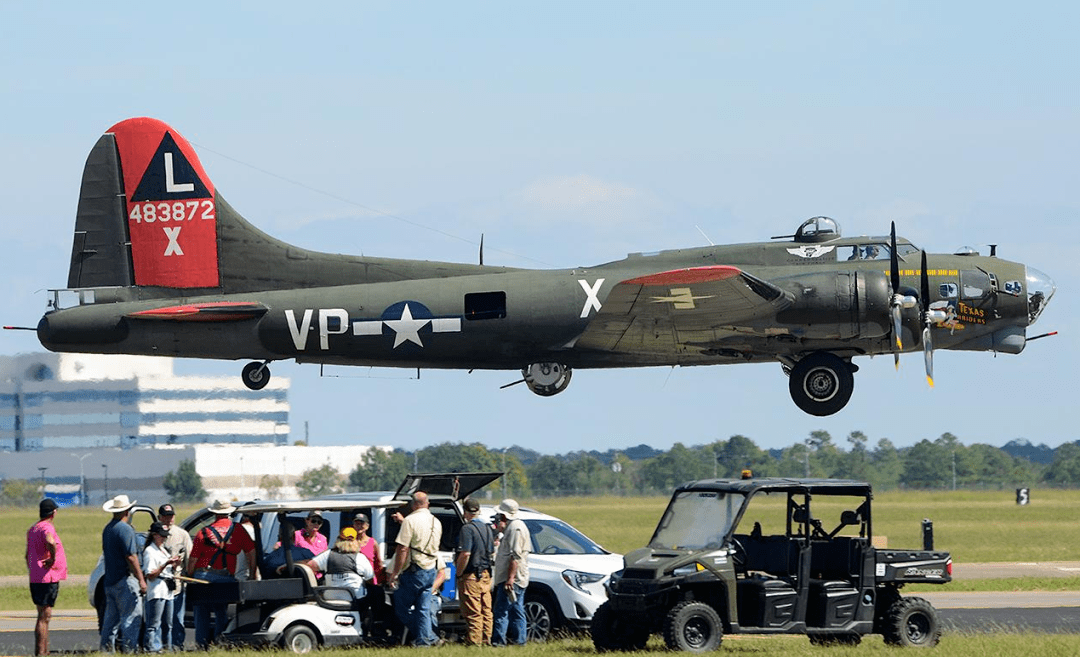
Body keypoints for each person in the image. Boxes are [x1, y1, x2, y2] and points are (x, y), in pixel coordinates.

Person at [187, 499, 256, 649]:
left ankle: (202, 646)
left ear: (215, 514)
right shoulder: (238, 530)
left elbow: (193, 560)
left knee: (201, 614)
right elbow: (251, 552)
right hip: (225, 577)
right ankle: (220, 645)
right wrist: (252, 575)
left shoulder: (203, 532)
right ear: (229, 512)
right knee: (221, 613)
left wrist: (190, 576)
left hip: (203, 577)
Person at [385, 491, 442, 646]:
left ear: (414, 504)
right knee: (423, 609)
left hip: (414, 570)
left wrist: (395, 573)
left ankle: (428, 637)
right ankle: (425, 640)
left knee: (400, 606)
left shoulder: (410, 521)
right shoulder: (436, 521)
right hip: (430, 569)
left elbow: (402, 549)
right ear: (427, 503)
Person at [100, 494, 147, 653]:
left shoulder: (108, 529)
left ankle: (106, 652)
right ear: (127, 511)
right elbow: (131, 557)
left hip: (110, 581)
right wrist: (141, 579)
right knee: (131, 617)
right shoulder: (125, 529)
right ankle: (129, 651)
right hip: (124, 579)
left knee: (110, 621)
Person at [26, 498, 67, 657]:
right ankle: (41, 652)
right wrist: (52, 557)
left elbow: (26, 555)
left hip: (36, 577)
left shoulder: (33, 529)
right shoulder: (46, 527)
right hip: (47, 577)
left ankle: (44, 650)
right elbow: (50, 541)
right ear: (53, 512)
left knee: (42, 615)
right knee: (45, 617)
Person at [454, 497, 494, 646]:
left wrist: (458, 573)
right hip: (485, 574)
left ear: (465, 512)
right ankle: (486, 640)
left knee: (473, 612)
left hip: (471, 576)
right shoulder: (488, 528)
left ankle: (474, 643)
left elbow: (465, 554)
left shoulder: (467, 529)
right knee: (486, 611)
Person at [492, 499, 530, 646]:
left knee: (502, 610)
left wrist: (510, 579)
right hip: (513, 577)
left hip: (512, 578)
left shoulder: (515, 529)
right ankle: (519, 640)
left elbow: (515, 556)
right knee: (516, 609)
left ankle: (499, 642)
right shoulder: (514, 526)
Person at [300, 527, 374, 600]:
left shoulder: (327, 555)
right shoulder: (360, 557)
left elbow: (308, 566)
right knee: (377, 591)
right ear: (356, 542)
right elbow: (370, 577)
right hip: (355, 600)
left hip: (330, 599)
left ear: (338, 540)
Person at [142, 522, 181, 653]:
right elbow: (150, 574)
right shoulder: (149, 551)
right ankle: (152, 648)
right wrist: (165, 564)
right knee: (154, 623)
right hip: (157, 590)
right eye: (161, 536)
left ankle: (166, 647)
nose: (164, 538)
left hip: (167, 590)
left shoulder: (163, 550)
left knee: (168, 624)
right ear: (154, 535)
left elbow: (169, 569)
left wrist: (175, 564)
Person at [159, 503, 192, 651]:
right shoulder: (155, 534)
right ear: (160, 517)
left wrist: (188, 573)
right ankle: (163, 646)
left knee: (177, 619)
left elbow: (190, 558)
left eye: (171, 516)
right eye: (165, 516)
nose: (169, 519)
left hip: (177, 584)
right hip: (159, 585)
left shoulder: (182, 534)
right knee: (161, 620)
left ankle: (178, 645)